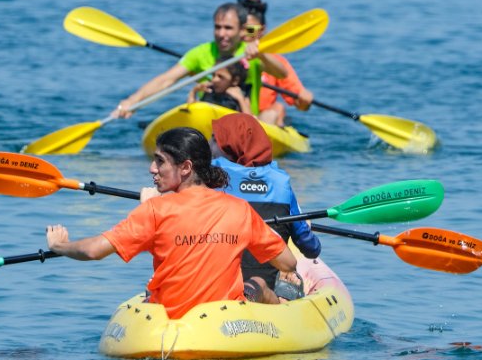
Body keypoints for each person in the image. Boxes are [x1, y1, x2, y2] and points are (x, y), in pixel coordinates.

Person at [45, 127, 298, 319]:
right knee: (261, 286)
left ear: (186, 167)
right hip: (223, 324)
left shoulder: (155, 210)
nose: (151, 169)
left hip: (170, 324)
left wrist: (60, 246)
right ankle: (287, 304)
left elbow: (93, 250)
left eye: (159, 161)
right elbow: (288, 262)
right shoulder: (240, 209)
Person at [209, 113, 321, 301]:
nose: (209, 146)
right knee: (291, 280)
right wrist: (306, 228)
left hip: (217, 287)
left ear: (230, 147)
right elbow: (311, 249)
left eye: (214, 140)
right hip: (266, 290)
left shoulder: (211, 175)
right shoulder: (281, 182)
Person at [111, 2, 287, 119]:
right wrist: (131, 102)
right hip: (208, 119)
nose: (221, 34)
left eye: (228, 28)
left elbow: (282, 73)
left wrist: (261, 54)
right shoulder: (200, 53)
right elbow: (166, 80)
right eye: (217, 27)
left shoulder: (252, 51)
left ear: (242, 30)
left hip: (245, 121)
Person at [238, 0, 314, 127]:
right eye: (239, 28)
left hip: (263, 120)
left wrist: (304, 100)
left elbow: (300, 105)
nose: (243, 34)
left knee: (277, 109)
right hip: (232, 112)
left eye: (249, 30)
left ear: (261, 31)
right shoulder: (223, 57)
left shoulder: (276, 63)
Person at [186, 56, 251, 114]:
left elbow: (251, 121)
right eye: (213, 75)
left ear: (235, 81)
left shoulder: (241, 94)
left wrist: (241, 99)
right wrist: (194, 91)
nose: (214, 80)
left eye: (221, 77)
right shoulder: (210, 90)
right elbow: (190, 111)